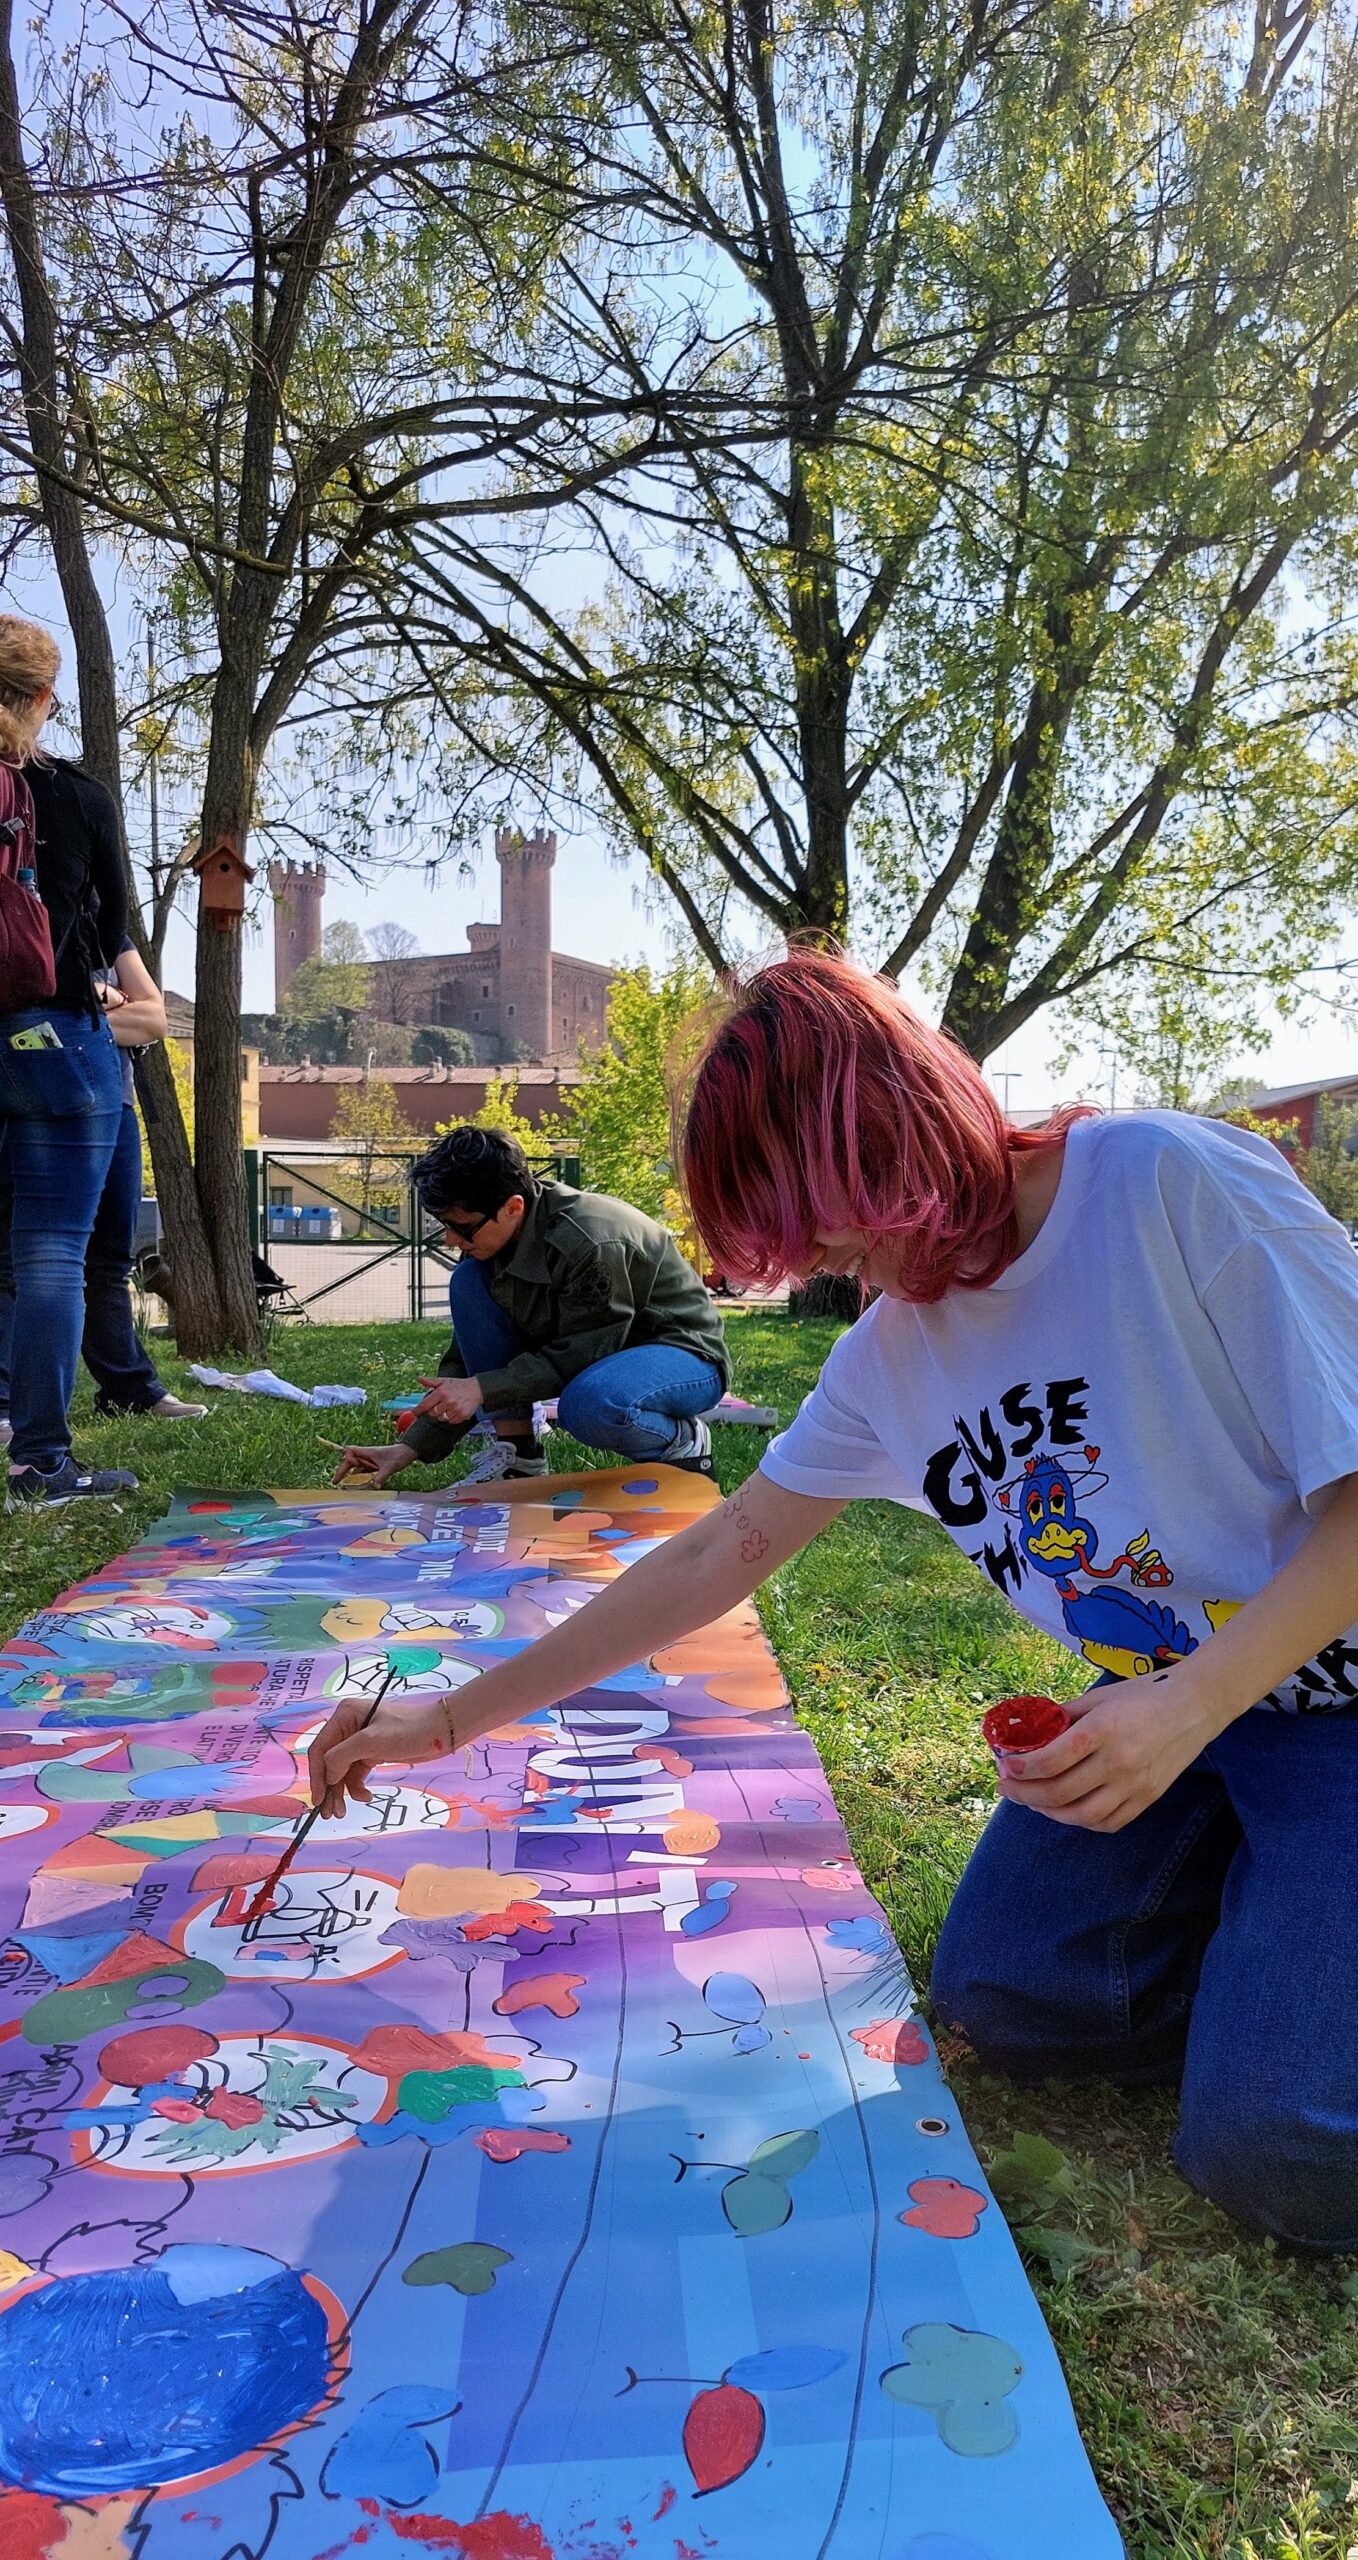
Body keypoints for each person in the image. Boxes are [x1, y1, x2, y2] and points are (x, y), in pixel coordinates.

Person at [310, 948, 1358, 2251]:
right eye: (809, 1253)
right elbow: (714, 1554)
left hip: (1326, 1682)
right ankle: (1275, 1904)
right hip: (1175, 1697)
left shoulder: (1164, 1184)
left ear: (898, 1136)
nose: (846, 1273)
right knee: (1009, 2002)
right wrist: (447, 1720)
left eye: (843, 1231)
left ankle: (1294, 1927)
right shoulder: (891, 1348)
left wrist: (1192, 1704)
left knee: (1277, 2148)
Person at [331, 1125, 731, 1488]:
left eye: (462, 1227)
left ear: (513, 1207)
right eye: (444, 1225)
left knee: (588, 1405)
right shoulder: (492, 1243)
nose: (451, 1240)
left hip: (682, 1354)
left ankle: (682, 1442)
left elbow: (582, 1354)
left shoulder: (588, 1242)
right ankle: (518, 1457)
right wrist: (409, 1448)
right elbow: (469, 1363)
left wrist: (483, 1389)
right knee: (467, 1281)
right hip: (603, 1354)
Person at [0, 616, 138, 1504]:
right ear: (46, 698)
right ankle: (42, 1462)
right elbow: (110, 930)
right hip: (53, 1038)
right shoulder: (77, 796)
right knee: (51, 1254)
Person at [0, 940, 205, 1437]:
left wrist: (70, 1023)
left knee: (110, 1261)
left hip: (115, 1106)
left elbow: (153, 1019)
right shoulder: (17, 921)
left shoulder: (106, 935)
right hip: (29, 1106)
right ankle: (4, 1402)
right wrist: (103, 1004)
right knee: (14, 1260)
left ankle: (129, 1388)